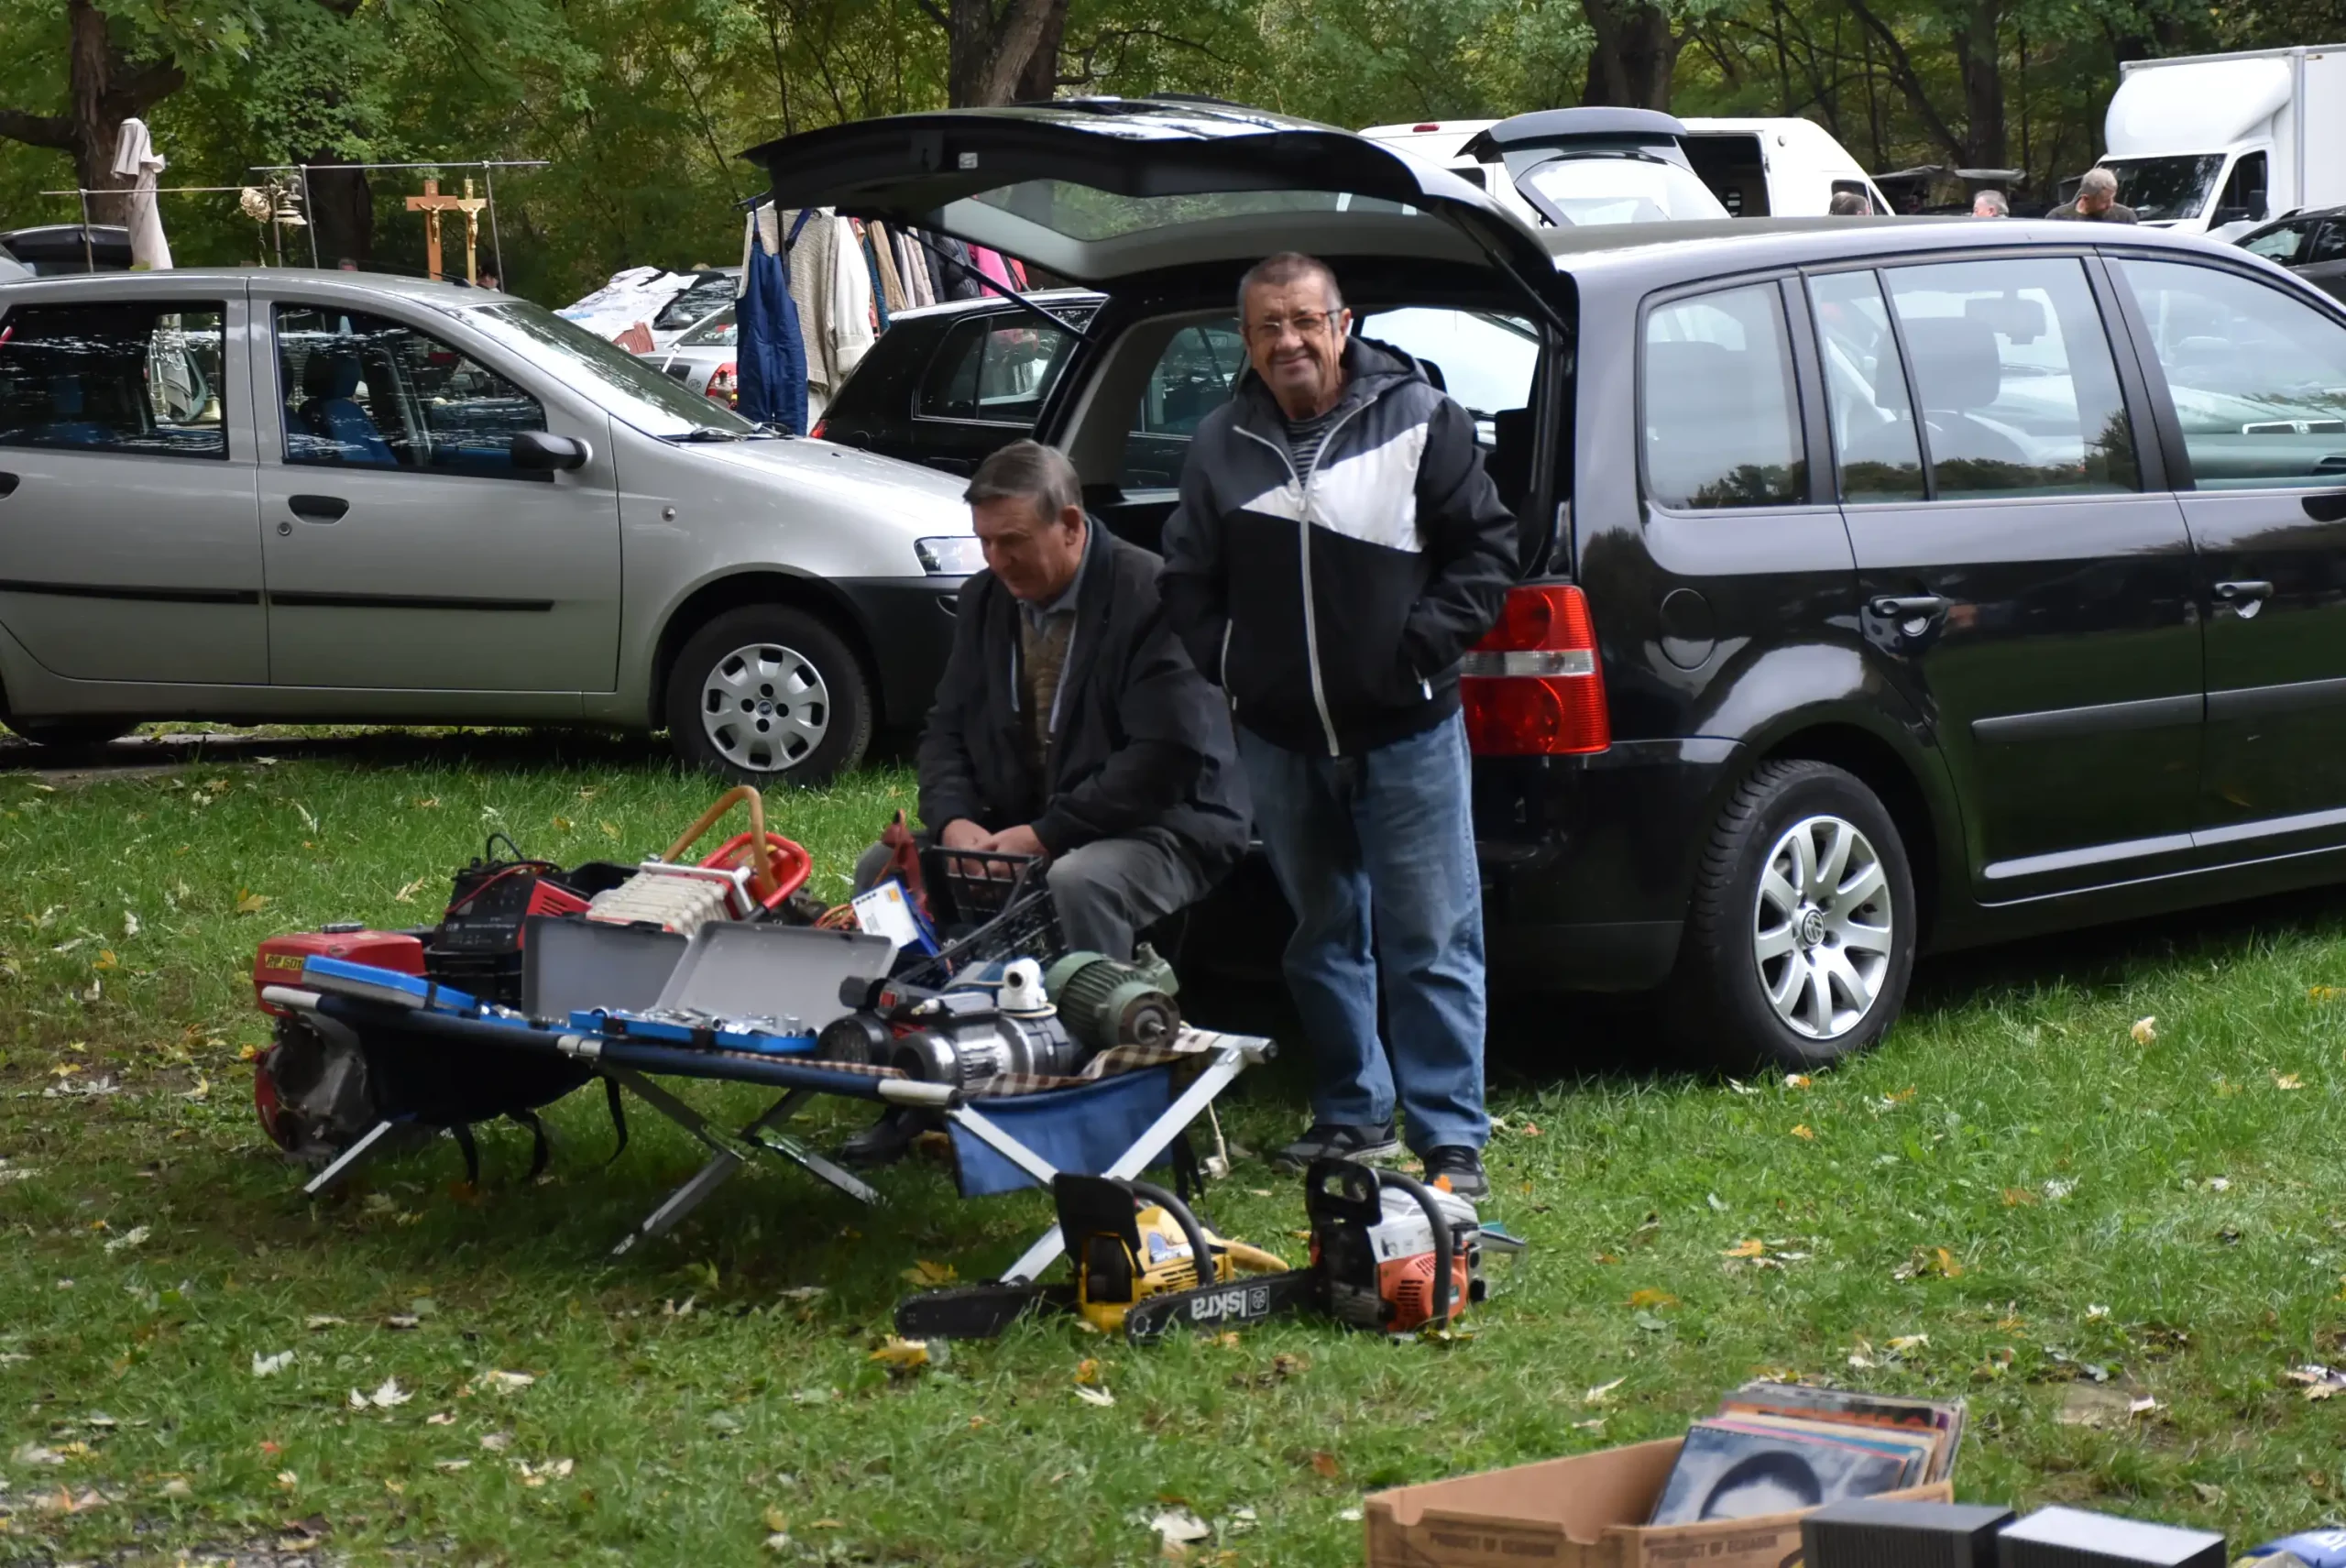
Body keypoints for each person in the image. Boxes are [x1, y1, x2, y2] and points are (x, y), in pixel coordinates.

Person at [1158, 253, 1516, 1200]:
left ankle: (1450, 1143)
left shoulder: (1419, 419)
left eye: (1305, 321)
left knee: (1432, 936)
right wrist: (1239, 670)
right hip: (1279, 737)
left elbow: (1485, 549)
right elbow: (1185, 581)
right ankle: (1353, 1115)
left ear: (1343, 325)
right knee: (1321, 934)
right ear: (1246, 341)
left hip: (1408, 730)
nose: (1289, 342)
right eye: (1268, 326)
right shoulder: (1218, 444)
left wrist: (1415, 652)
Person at [858, 439, 1248, 962]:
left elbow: (1164, 758)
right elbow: (945, 730)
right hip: (1027, 820)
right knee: (876, 868)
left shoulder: (1153, 596)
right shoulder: (985, 600)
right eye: (985, 542)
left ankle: (1093, 1031)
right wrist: (955, 821)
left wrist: (1047, 834)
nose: (996, 560)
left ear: (1070, 524)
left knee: (1079, 881)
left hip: (1167, 824)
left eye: (1012, 540)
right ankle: (913, 1018)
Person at [2050, 167, 2136, 223]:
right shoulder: (2058, 219)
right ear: (2086, 198)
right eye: (2105, 201)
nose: (2110, 204)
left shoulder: (2125, 218)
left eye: (2112, 198)